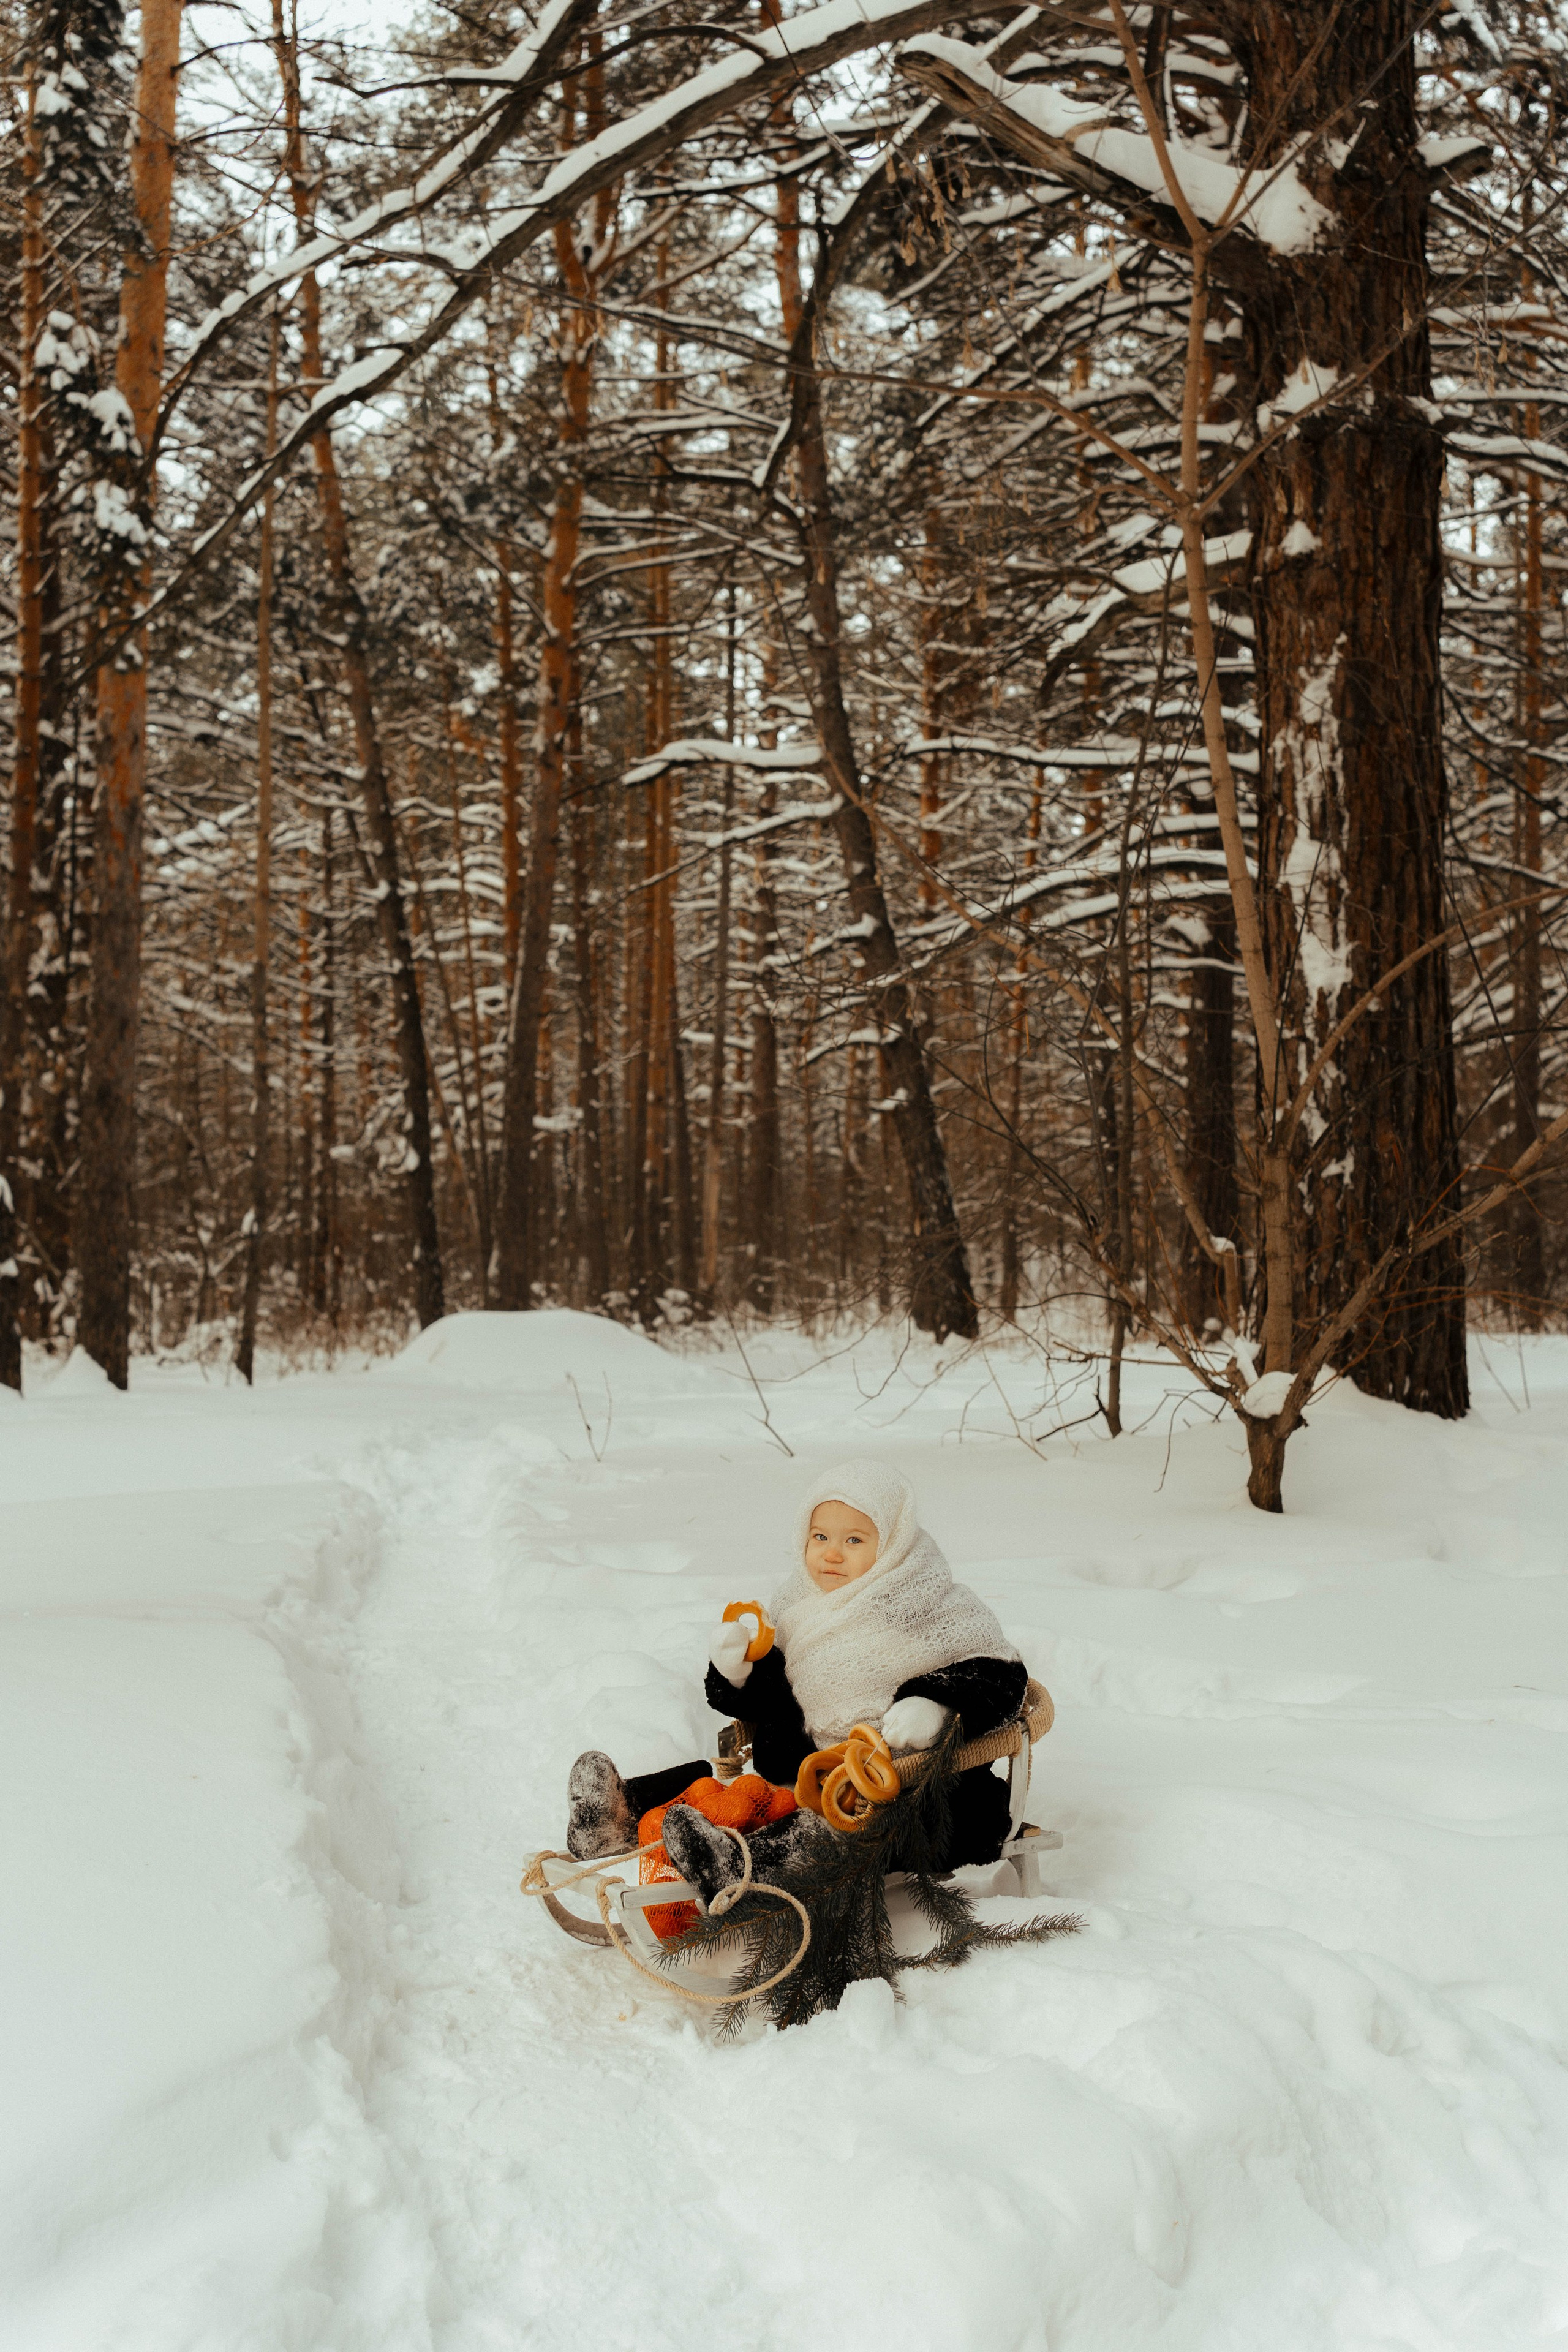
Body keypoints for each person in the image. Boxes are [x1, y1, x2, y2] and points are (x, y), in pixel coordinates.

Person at [564, 1458, 1029, 1901]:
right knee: (727, 1795)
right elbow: (776, 1698)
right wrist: (739, 1671)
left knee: (820, 1831)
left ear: (894, 1542)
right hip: (803, 1779)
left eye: (854, 1541)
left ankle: (736, 1868)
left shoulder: (931, 1605)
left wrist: (937, 1704)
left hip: (918, 1798)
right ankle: (618, 1818)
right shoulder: (797, 1605)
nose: (832, 1553)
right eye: (820, 1536)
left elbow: (1002, 1678)